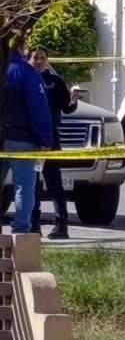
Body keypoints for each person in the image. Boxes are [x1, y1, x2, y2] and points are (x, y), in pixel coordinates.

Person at [2, 39, 53, 234]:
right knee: (24, 186)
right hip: (22, 139)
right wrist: (45, 139)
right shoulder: (26, 72)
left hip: (3, 137)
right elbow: (38, 109)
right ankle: (21, 231)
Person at [28, 48, 78, 239]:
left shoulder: (55, 82)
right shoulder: (27, 80)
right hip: (31, 139)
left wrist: (73, 99)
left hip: (50, 139)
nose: (39, 61)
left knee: (54, 182)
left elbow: (67, 108)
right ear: (29, 59)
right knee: (32, 184)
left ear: (47, 60)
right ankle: (34, 225)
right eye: (35, 58)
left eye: (42, 58)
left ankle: (61, 225)